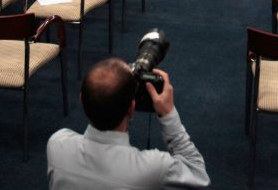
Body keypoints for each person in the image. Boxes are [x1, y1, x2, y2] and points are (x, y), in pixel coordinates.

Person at [46, 58, 210, 189]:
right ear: (132, 107)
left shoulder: (57, 144)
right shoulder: (154, 168)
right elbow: (197, 173)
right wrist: (168, 115)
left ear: (82, 100)